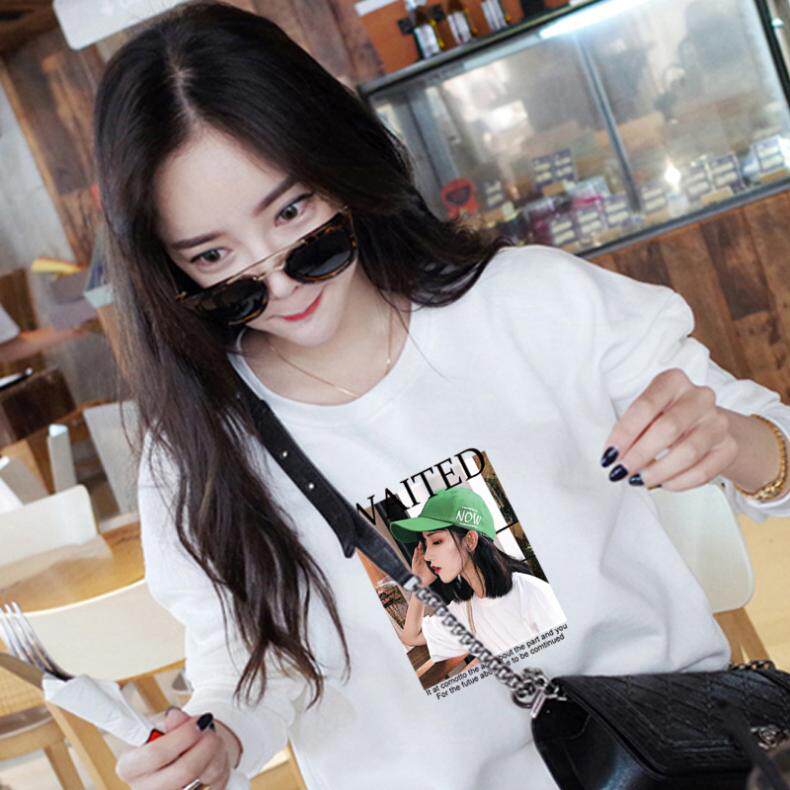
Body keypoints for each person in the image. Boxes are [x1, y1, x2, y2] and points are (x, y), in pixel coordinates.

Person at [91, 1, 790, 788]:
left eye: (292, 212)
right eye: (214, 258)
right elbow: (248, 667)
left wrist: (734, 441)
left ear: (339, 163)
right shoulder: (200, 448)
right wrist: (217, 740)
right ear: (167, 269)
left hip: (669, 767)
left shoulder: (530, 304)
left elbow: (778, 458)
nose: (278, 281)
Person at [392, 487, 566, 659]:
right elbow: (411, 637)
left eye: (436, 542)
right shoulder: (465, 610)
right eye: (425, 544)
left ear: (470, 540)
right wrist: (419, 583)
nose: (427, 556)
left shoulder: (529, 592)